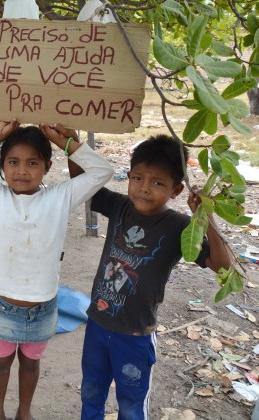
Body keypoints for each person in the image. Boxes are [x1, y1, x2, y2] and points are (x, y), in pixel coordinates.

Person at [0, 121, 113, 420]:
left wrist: (66, 143)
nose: (21, 170)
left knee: (31, 364)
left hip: (43, 307)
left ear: (47, 167)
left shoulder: (59, 198)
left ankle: (24, 412)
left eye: (32, 163)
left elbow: (102, 171)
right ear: (1, 167)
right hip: (1, 304)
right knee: (0, 363)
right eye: (13, 162)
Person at [69, 133, 232, 419]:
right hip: (97, 323)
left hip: (135, 336)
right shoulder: (120, 206)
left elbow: (222, 265)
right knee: (91, 391)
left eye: (157, 182)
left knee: (131, 405)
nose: (144, 189)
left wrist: (206, 219)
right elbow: (83, 184)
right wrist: (71, 145)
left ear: (176, 190)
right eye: (138, 178)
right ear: (129, 176)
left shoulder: (180, 227)